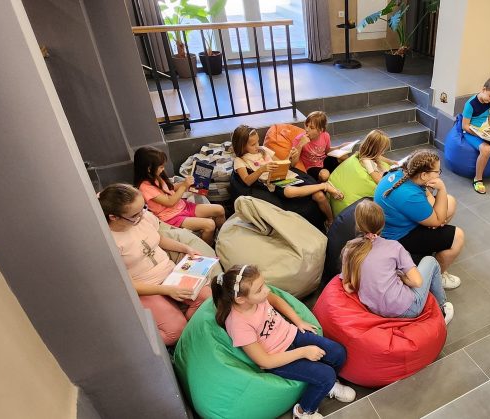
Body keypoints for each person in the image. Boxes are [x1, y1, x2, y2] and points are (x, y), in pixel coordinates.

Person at [215, 265, 356, 419]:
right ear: (240, 299)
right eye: (260, 289)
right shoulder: (238, 324)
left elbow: (277, 300)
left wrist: (298, 321)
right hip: (278, 358)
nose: (267, 290)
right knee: (326, 375)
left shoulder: (257, 299)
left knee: (338, 353)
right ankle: (303, 411)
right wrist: (303, 352)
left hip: (292, 334)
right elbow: (265, 361)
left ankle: (328, 386)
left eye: (264, 284)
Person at [98, 183, 213, 346]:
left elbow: (158, 239)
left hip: (170, 274)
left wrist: (186, 248)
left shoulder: (143, 218)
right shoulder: (109, 242)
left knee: (208, 298)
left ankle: (185, 320)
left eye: (143, 208)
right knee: (175, 332)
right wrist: (167, 290)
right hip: (146, 288)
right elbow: (129, 285)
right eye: (135, 214)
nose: (142, 215)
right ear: (114, 217)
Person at [341, 200, 455, 324]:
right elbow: (417, 282)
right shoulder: (394, 247)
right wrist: (403, 278)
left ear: (358, 225)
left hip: (374, 310)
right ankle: (442, 308)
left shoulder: (349, 248)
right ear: (383, 223)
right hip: (408, 310)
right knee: (430, 261)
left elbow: (347, 287)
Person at [374, 150, 464, 287]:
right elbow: (438, 220)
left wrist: (436, 217)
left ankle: (431, 244)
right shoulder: (409, 195)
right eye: (437, 172)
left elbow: (427, 195)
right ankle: (436, 276)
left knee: (450, 202)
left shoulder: (403, 173)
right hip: (398, 237)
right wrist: (442, 189)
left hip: (394, 222)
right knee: (458, 237)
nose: (439, 175)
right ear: (424, 175)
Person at [231, 125, 343, 228]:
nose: (257, 146)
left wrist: (289, 157)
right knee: (289, 192)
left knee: (319, 196)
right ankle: (324, 186)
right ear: (242, 146)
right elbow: (247, 181)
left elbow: (282, 163)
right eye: (253, 144)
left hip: (287, 175)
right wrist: (262, 169)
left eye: (257, 142)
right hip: (274, 182)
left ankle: (331, 221)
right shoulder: (240, 160)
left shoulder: (263, 150)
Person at [133, 146, 226, 246]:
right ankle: (208, 249)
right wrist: (184, 185)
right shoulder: (145, 187)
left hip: (183, 206)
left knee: (220, 209)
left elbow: (170, 188)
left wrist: (188, 184)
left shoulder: (156, 177)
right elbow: (170, 202)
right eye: (161, 167)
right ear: (149, 169)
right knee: (209, 225)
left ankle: (225, 238)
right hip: (171, 217)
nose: (163, 169)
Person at [290, 111, 346, 182]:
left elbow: (327, 151)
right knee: (325, 175)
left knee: (344, 156)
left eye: (311, 128)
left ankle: (340, 179)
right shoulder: (299, 139)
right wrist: (300, 144)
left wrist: (341, 147)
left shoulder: (325, 135)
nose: (307, 129)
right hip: (312, 167)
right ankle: (328, 181)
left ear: (320, 130)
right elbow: (292, 164)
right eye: (306, 125)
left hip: (324, 161)